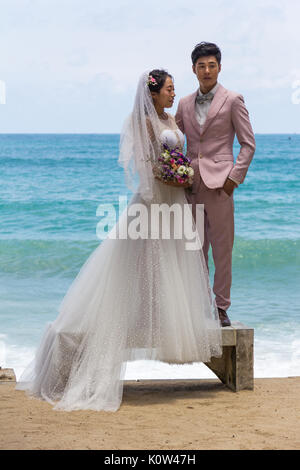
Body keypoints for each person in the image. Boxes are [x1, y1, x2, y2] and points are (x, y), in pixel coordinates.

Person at [16, 70, 222, 412]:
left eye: (174, 89)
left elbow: (173, 157)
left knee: (169, 266)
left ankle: (160, 325)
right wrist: (177, 175)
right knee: (133, 264)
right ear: (153, 93)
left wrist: (184, 174)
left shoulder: (169, 118)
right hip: (154, 203)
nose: (174, 94)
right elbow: (152, 165)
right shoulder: (141, 121)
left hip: (174, 204)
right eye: (169, 89)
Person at [175, 42, 256, 327]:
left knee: (222, 250)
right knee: (194, 250)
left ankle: (221, 308)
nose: (206, 70)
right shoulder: (184, 103)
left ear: (219, 67)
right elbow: (172, 137)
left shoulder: (233, 99)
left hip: (222, 185)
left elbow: (248, 144)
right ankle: (198, 307)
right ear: (194, 69)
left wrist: (233, 179)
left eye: (211, 65)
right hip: (191, 186)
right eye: (201, 66)